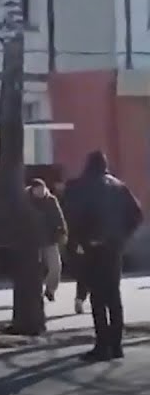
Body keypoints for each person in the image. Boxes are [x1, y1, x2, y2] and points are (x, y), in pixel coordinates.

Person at [63, 151, 143, 361]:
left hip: (92, 247)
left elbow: (72, 216)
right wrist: (122, 236)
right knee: (114, 296)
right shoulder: (119, 186)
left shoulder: (81, 187)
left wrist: (78, 241)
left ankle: (102, 345)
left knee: (97, 298)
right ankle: (116, 346)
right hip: (114, 248)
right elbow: (137, 214)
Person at [26, 179, 67, 303]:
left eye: (42, 189)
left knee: (56, 267)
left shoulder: (51, 200)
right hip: (31, 240)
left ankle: (50, 289)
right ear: (32, 190)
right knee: (33, 269)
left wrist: (62, 231)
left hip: (50, 238)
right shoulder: (25, 200)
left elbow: (59, 216)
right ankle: (33, 293)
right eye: (38, 190)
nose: (41, 192)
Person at [56, 181, 89, 315]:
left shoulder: (65, 204)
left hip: (75, 242)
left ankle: (80, 299)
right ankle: (81, 298)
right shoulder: (80, 206)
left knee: (83, 273)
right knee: (88, 272)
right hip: (83, 242)